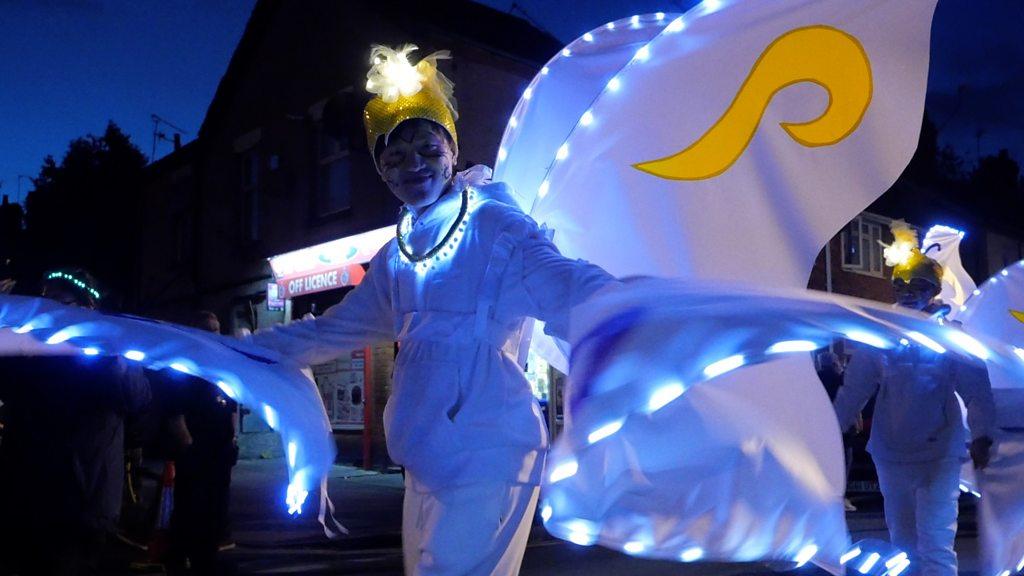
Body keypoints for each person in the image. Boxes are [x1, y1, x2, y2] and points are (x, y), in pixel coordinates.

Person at [248, 44, 615, 575]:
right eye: (393, 158)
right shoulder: (396, 255)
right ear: (380, 171)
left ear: (452, 149)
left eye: (426, 148)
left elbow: (568, 287)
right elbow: (337, 329)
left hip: (492, 454)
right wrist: (246, 349)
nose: (412, 166)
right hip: (422, 456)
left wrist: (633, 310)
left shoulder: (496, 226)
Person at [833, 222, 995, 576]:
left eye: (918, 286)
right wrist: (831, 429)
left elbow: (976, 389)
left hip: (939, 455)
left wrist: (983, 435)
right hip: (891, 453)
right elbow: (856, 387)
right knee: (903, 544)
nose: (908, 293)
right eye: (901, 285)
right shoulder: (881, 334)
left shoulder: (950, 336)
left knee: (936, 543)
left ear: (933, 290)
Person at [0, 269, 151, 575]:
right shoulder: (28, 356)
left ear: (86, 309)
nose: (49, 310)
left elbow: (138, 400)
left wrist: (115, 357)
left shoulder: (106, 356)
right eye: (46, 301)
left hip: (84, 503)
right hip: (27, 499)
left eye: (60, 302)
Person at [165, 311, 239, 575]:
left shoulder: (221, 366)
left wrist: (232, 439)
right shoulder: (184, 367)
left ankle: (207, 556)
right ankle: (181, 555)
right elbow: (175, 413)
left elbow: (231, 407)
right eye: (209, 329)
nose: (214, 335)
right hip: (197, 452)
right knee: (190, 506)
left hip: (219, 451)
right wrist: (188, 448)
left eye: (217, 329)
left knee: (216, 507)